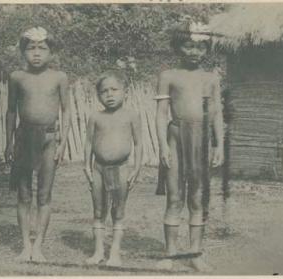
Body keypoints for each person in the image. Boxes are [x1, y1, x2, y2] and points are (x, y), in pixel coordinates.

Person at [155, 21, 224, 272]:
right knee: (174, 197)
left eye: (200, 47)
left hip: (201, 139)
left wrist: (219, 146)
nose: (194, 52)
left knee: (197, 198)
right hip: (175, 137)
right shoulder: (168, 76)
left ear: (207, 49)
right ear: (178, 47)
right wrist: (162, 145)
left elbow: (216, 114)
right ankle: (170, 254)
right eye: (188, 46)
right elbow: (162, 113)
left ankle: (195, 253)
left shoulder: (211, 78)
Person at [5, 27, 71, 263]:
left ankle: (39, 246)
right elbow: (11, 111)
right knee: (24, 194)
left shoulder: (59, 77)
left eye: (42, 48)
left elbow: (66, 110)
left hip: (49, 139)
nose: (36, 53)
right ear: (23, 52)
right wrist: (9, 141)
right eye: (30, 48)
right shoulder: (16, 77)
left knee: (44, 194)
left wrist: (63, 142)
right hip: (24, 138)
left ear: (51, 52)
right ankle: (25, 246)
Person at [83, 71, 143, 267]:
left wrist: (136, 168)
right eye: (104, 91)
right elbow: (89, 143)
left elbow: (139, 143)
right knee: (98, 210)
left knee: (118, 211)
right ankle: (99, 251)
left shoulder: (131, 116)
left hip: (121, 169)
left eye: (114, 90)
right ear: (98, 95)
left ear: (125, 92)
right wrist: (86, 166)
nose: (109, 95)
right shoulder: (95, 117)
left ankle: (115, 252)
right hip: (98, 169)